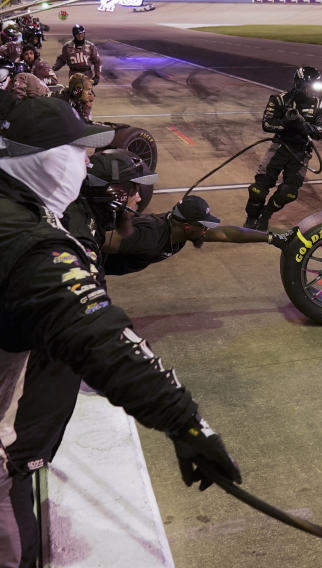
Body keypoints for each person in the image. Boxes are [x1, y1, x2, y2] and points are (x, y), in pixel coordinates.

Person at [0, 94, 241, 568]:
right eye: (76, 151)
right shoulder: (28, 244)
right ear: (39, 160)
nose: (85, 161)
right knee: (13, 546)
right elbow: (101, 337)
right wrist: (187, 423)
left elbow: (128, 243)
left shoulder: (23, 214)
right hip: (16, 436)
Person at [103, 194, 295, 275]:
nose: (206, 230)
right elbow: (99, 240)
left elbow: (227, 234)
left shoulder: (182, 231)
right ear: (187, 226)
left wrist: (271, 238)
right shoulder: (149, 236)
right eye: (203, 226)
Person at [244, 66, 322, 231]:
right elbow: (267, 123)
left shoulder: (318, 104)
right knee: (258, 190)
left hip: (301, 153)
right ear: (299, 84)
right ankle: (252, 217)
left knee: (289, 192)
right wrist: (286, 123)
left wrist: (302, 124)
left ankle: (266, 214)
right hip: (280, 147)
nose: (313, 91)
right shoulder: (279, 99)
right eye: (310, 86)